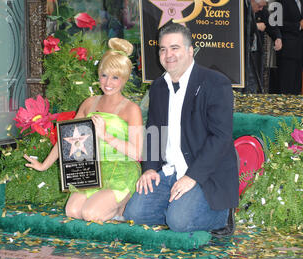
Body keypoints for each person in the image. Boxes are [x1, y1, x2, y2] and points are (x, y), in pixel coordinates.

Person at [124, 24, 239, 234]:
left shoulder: (215, 83)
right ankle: (178, 208)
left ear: (189, 50)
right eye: (163, 49)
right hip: (169, 171)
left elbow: (221, 138)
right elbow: (154, 132)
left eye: (174, 48)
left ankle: (223, 214)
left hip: (204, 175)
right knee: (134, 215)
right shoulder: (158, 87)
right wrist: (149, 168)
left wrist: (192, 176)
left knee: (179, 222)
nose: (168, 55)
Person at [24, 38, 143, 222]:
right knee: (72, 211)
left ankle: (122, 209)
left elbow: (136, 151)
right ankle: (113, 210)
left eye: (115, 77)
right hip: (91, 171)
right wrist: (44, 165)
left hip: (121, 172)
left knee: (90, 214)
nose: (108, 82)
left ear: (124, 79)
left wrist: (105, 135)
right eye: (104, 75)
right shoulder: (89, 103)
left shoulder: (131, 109)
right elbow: (68, 137)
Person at [276, 0, 303, 94]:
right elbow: (277, 23)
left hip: (299, 49)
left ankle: (295, 107)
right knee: (287, 86)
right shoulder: (282, 1)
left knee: (296, 87)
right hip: (287, 50)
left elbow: (299, 21)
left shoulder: (300, 2)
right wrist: (298, 26)